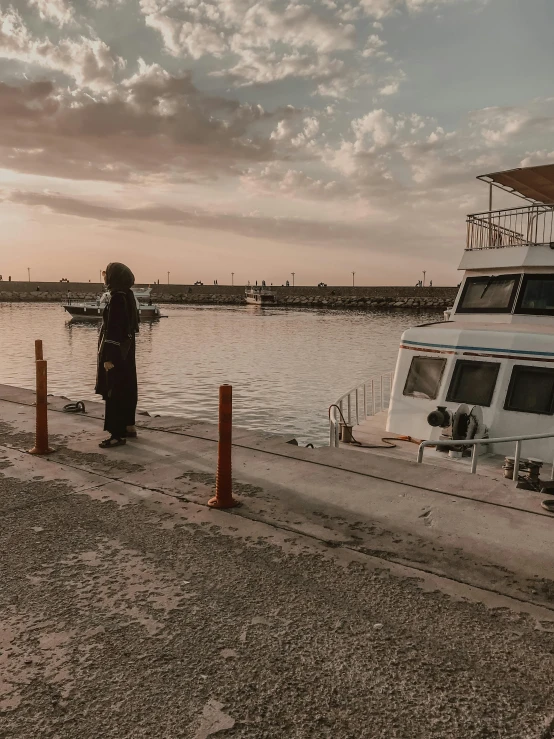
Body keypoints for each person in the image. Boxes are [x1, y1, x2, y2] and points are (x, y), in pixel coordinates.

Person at [95, 263, 140, 448]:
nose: (104, 277)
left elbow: (114, 329)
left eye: (107, 274)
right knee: (127, 386)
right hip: (127, 351)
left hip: (116, 352)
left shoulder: (117, 299)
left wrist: (108, 358)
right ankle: (129, 426)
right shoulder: (128, 296)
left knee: (114, 390)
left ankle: (116, 434)